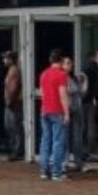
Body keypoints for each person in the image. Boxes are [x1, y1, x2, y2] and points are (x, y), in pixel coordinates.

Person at [37, 49, 70, 181]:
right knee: (58, 142)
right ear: (61, 60)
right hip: (57, 111)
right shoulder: (62, 75)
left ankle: (44, 171)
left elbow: (42, 93)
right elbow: (63, 95)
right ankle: (56, 172)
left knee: (45, 141)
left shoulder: (43, 74)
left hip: (45, 110)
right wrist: (67, 113)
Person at [63, 55, 89, 174]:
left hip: (77, 110)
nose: (70, 65)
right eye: (67, 63)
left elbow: (81, 94)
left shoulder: (74, 78)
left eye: (71, 63)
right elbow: (64, 93)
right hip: (67, 110)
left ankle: (79, 162)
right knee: (65, 137)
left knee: (77, 137)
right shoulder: (62, 77)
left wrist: (84, 84)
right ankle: (65, 162)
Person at [80, 50, 98, 165]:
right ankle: (91, 150)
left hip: (85, 101)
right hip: (93, 101)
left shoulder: (85, 69)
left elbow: (83, 87)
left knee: (85, 126)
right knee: (91, 126)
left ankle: (86, 151)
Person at [2, 50, 23, 161]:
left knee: (15, 127)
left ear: (11, 59)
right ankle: (14, 150)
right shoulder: (11, 70)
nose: (4, 60)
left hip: (13, 103)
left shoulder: (14, 70)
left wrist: (10, 100)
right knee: (10, 127)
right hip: (10, 102)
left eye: (6, 58)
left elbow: (13, 88)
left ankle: (17, 151)